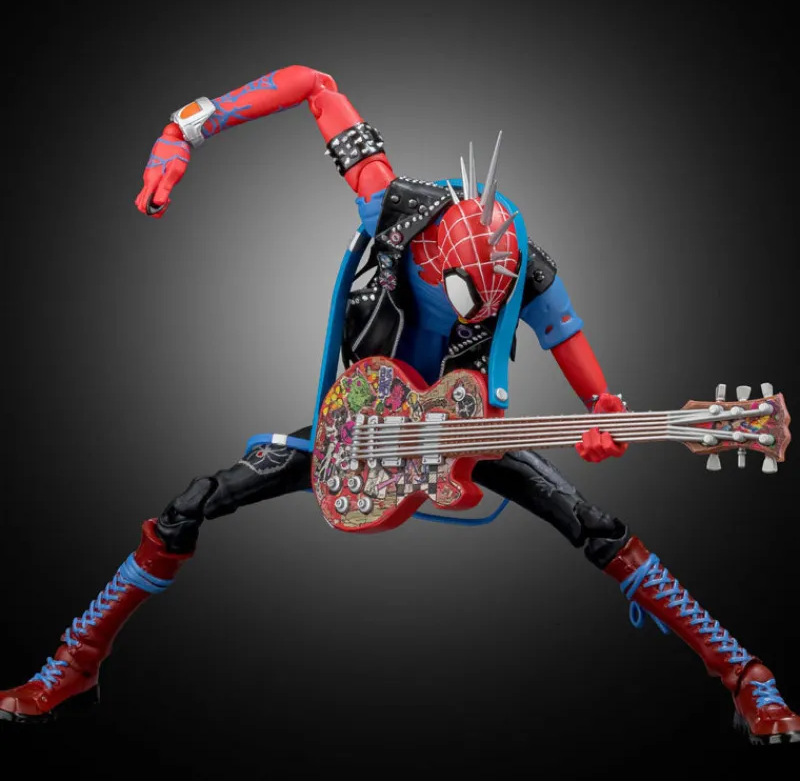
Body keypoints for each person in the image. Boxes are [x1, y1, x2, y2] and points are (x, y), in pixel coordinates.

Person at [1, 66, 796, 745]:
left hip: (462, 434)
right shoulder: (390, 206)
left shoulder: (527, 268)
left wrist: (605, 420)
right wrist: (186, 128)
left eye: (500, 300)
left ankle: (744, 673)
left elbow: (585, 372)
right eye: (472, 298)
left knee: (594, 525)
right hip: (360, 426)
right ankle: (76, 664)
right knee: (192, 504)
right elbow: (313, 84)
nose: (488, 312)